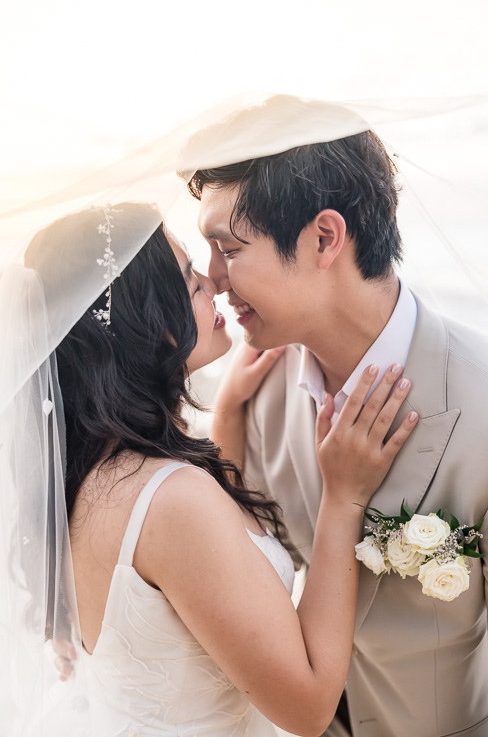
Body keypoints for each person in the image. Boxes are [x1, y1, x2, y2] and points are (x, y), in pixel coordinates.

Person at [20, 201, 415, 737]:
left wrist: (226, 413)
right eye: (189, 279)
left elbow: (191, 579)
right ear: (148, 326)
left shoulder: (90, 472)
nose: (214, 281)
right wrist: (343, 496)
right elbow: (308, 706)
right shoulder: (171, 502)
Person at [188, 129, 488, 737]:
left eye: (228, 248)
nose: (213, 279)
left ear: (325, 237)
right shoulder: (255, 393)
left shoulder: (480, 402)